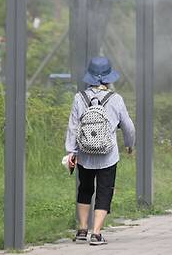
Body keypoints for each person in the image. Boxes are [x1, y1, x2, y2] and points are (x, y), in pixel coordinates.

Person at [65, 56, 135, 246]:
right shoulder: (116, 99)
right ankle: (96, 233)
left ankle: (81, 229)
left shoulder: (79, 98)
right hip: (108, 155)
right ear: (109, 78)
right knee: (104, 192)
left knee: (84, 190)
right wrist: (129, 144)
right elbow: (128, 126)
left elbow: (73, 126)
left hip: (85, 154)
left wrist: (71, 151)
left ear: (90, 76)